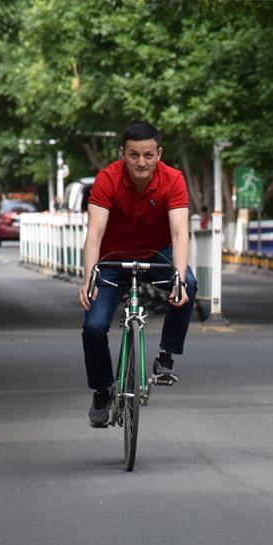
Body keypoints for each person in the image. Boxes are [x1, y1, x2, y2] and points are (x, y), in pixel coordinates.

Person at [78, 122, 197, 428]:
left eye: (148, 155)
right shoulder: (107, 179)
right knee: (93, 327)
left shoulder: (173, 180)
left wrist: (179, 278)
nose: (141, 162)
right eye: (133, 155)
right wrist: (89, 275)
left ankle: (166, 356)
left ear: (159, 154)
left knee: (190, 283)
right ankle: (103, 391)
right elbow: (95, 233)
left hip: (158, 252)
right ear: (123, 154)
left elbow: (180, 233)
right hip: (113, 258)